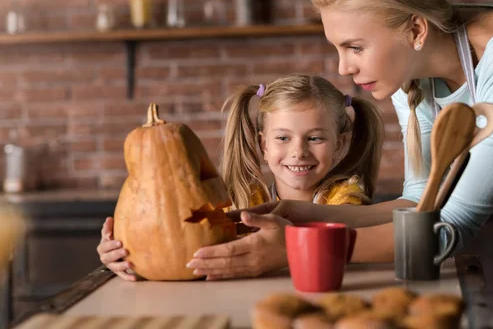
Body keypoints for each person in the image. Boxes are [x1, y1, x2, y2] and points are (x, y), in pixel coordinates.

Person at [187, 0, 493, 329]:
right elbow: (420, 204)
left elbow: (445, 231)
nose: (344, 67)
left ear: (416, 29)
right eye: (337, 48)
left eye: (355, 47)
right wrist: (301, 216)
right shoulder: (410, 69)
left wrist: (295, 248)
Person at [97, 74, 385, 281]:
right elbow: (183, 248)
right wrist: (130, 253)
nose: (298, 152)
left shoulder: (346, 199)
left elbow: (332, 249)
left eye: (315, 138)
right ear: (263, 145)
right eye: (283, 137)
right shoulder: (245, 201)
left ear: (341, 144)